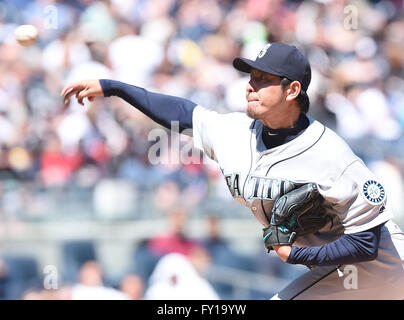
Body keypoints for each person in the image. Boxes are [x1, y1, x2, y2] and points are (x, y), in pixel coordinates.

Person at [61, 42, 404, 300]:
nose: (249, 85)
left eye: (263, 79)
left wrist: (300, 254)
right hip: (336, 268)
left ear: (293, 90)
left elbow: (367, 242)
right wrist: (114, 87)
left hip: (380, 268)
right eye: (250, 76)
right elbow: (182, 111)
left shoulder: (331, 156)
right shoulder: (234, 132)